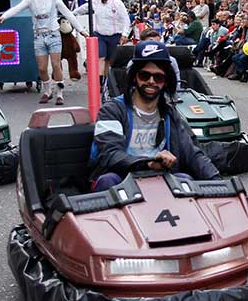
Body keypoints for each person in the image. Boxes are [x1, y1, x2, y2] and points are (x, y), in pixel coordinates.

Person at [90, 40, 220, 191]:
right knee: (108, 180)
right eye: (145, 75)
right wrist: (148, 163)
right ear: (134, 77)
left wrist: (218, 184)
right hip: (122, 179)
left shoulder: (169, 113)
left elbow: (192, 153)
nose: (151, 81)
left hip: (159, 178)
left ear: (165, 82)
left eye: (158, 77)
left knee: (185, 181)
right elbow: (110, 155)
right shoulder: (112, 110)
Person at [0, 0, 89, 105]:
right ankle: (47, 91)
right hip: (39, 35)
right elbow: (17, 8)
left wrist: (81, 30)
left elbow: (67, 13)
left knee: (56, 65)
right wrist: (4, 17)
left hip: (53, 34)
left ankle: (59, 93)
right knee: (42, 68)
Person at [70, 0, 130, 84]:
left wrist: (125, 34)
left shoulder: (117, 3)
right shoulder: (95, 1)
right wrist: (70, 14)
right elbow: (84, 8)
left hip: (114, 35)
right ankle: (100, 81)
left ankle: (106, 79)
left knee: (109, 60)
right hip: (100, 35)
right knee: (100, 57)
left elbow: (126, 19)